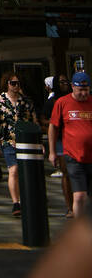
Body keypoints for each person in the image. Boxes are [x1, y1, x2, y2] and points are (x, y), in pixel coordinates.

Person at [0, 71, 37, 217]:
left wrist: (38, 142)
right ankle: (16, 202)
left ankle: (27, 200)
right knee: (14, 170)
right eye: (13, 83)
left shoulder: (26, 102)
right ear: (7, 84)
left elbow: (33, 122)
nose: (16, 86)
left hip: (25, 142)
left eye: (18, 83)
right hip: (8, 141)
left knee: (26, 172)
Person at [49, 71, 92, 217]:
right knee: (79, 196)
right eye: (80, 90)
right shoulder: (62, 103)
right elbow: (53, 127)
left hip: (91, 156)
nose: (84, 93)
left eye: (86, 90)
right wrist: (52, 151)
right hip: (73, 155)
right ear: (73, 87)